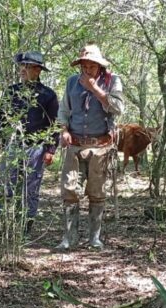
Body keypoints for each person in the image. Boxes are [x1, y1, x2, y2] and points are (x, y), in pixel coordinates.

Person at [0, 51, 59, 239]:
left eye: (28, 66)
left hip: (36, 148)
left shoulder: (48, 95)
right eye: (21, 66)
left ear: (38, 70)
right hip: (13, 146)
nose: (23, 69)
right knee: (4, 186)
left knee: (30, 189)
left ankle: (24, 229)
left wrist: (50, 150)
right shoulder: (12, 91)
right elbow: (1, 118)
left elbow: (54, 125)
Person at [56, 44, 124, 250]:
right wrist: (64, 130)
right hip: (75, 145)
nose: (86, 71)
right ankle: (69, 238)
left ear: (99, 66)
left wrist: (95, 89)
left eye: (91, 67)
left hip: (101, 146)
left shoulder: (113, 81)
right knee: (69, 191)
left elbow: (118, 108)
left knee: (97, 192)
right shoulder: (71, 83)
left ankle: (94, 238)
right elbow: (64, 110)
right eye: (83, 67)